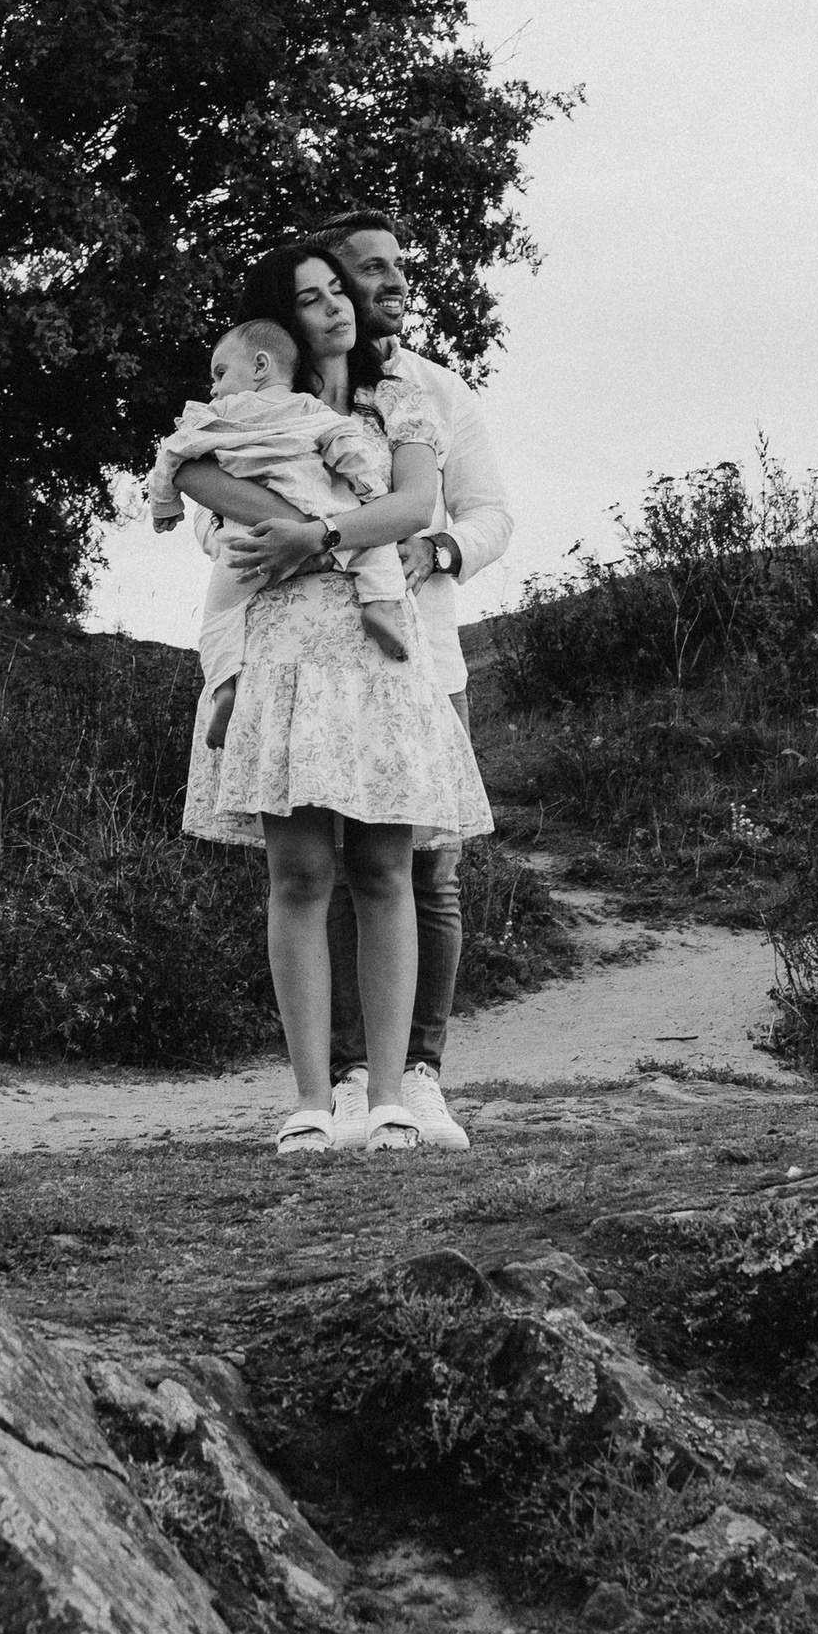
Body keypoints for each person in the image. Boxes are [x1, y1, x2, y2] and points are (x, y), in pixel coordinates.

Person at [171, 238, 494, 1158]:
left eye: (337, 292)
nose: (337, 309)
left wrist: (306, 532)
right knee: (301, 877)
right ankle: (313, 1099)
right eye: (310, 300)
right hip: (287, 654)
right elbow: (193, 475)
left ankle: (391, 1095)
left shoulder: (401, 400)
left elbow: (410, 508)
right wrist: (284, 522)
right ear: (282, 322)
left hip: (383, 659)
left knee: (389, 872)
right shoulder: (253, 407)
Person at [145, 315, 417, 746]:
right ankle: (379, 605)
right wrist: (369, 488)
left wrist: (165, 505)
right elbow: (344, 442)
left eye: (219, 373)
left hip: (252, 542)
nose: (213, 388)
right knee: (375, 543)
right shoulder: (311, 409)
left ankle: (223, 686)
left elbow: (172, 456)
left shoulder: (217, 416)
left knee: (219, 616)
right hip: (323, 512)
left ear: (258, 366)